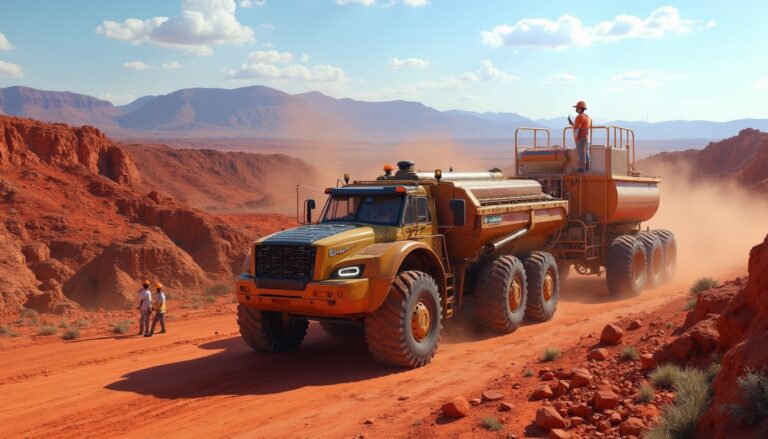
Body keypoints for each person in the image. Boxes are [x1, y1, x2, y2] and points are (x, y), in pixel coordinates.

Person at [568, 100, 592, 172]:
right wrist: (572, 123)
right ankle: (588, 167)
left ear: (580, 108)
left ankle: (582, 168)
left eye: (577, 108)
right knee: (586, 152)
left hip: (581, 138)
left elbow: (577, 128)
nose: (576, 109)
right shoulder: (588, 118)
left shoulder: (579, 117)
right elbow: (580, 126)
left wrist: (576, 138)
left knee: (581, 153)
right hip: (587, 138)